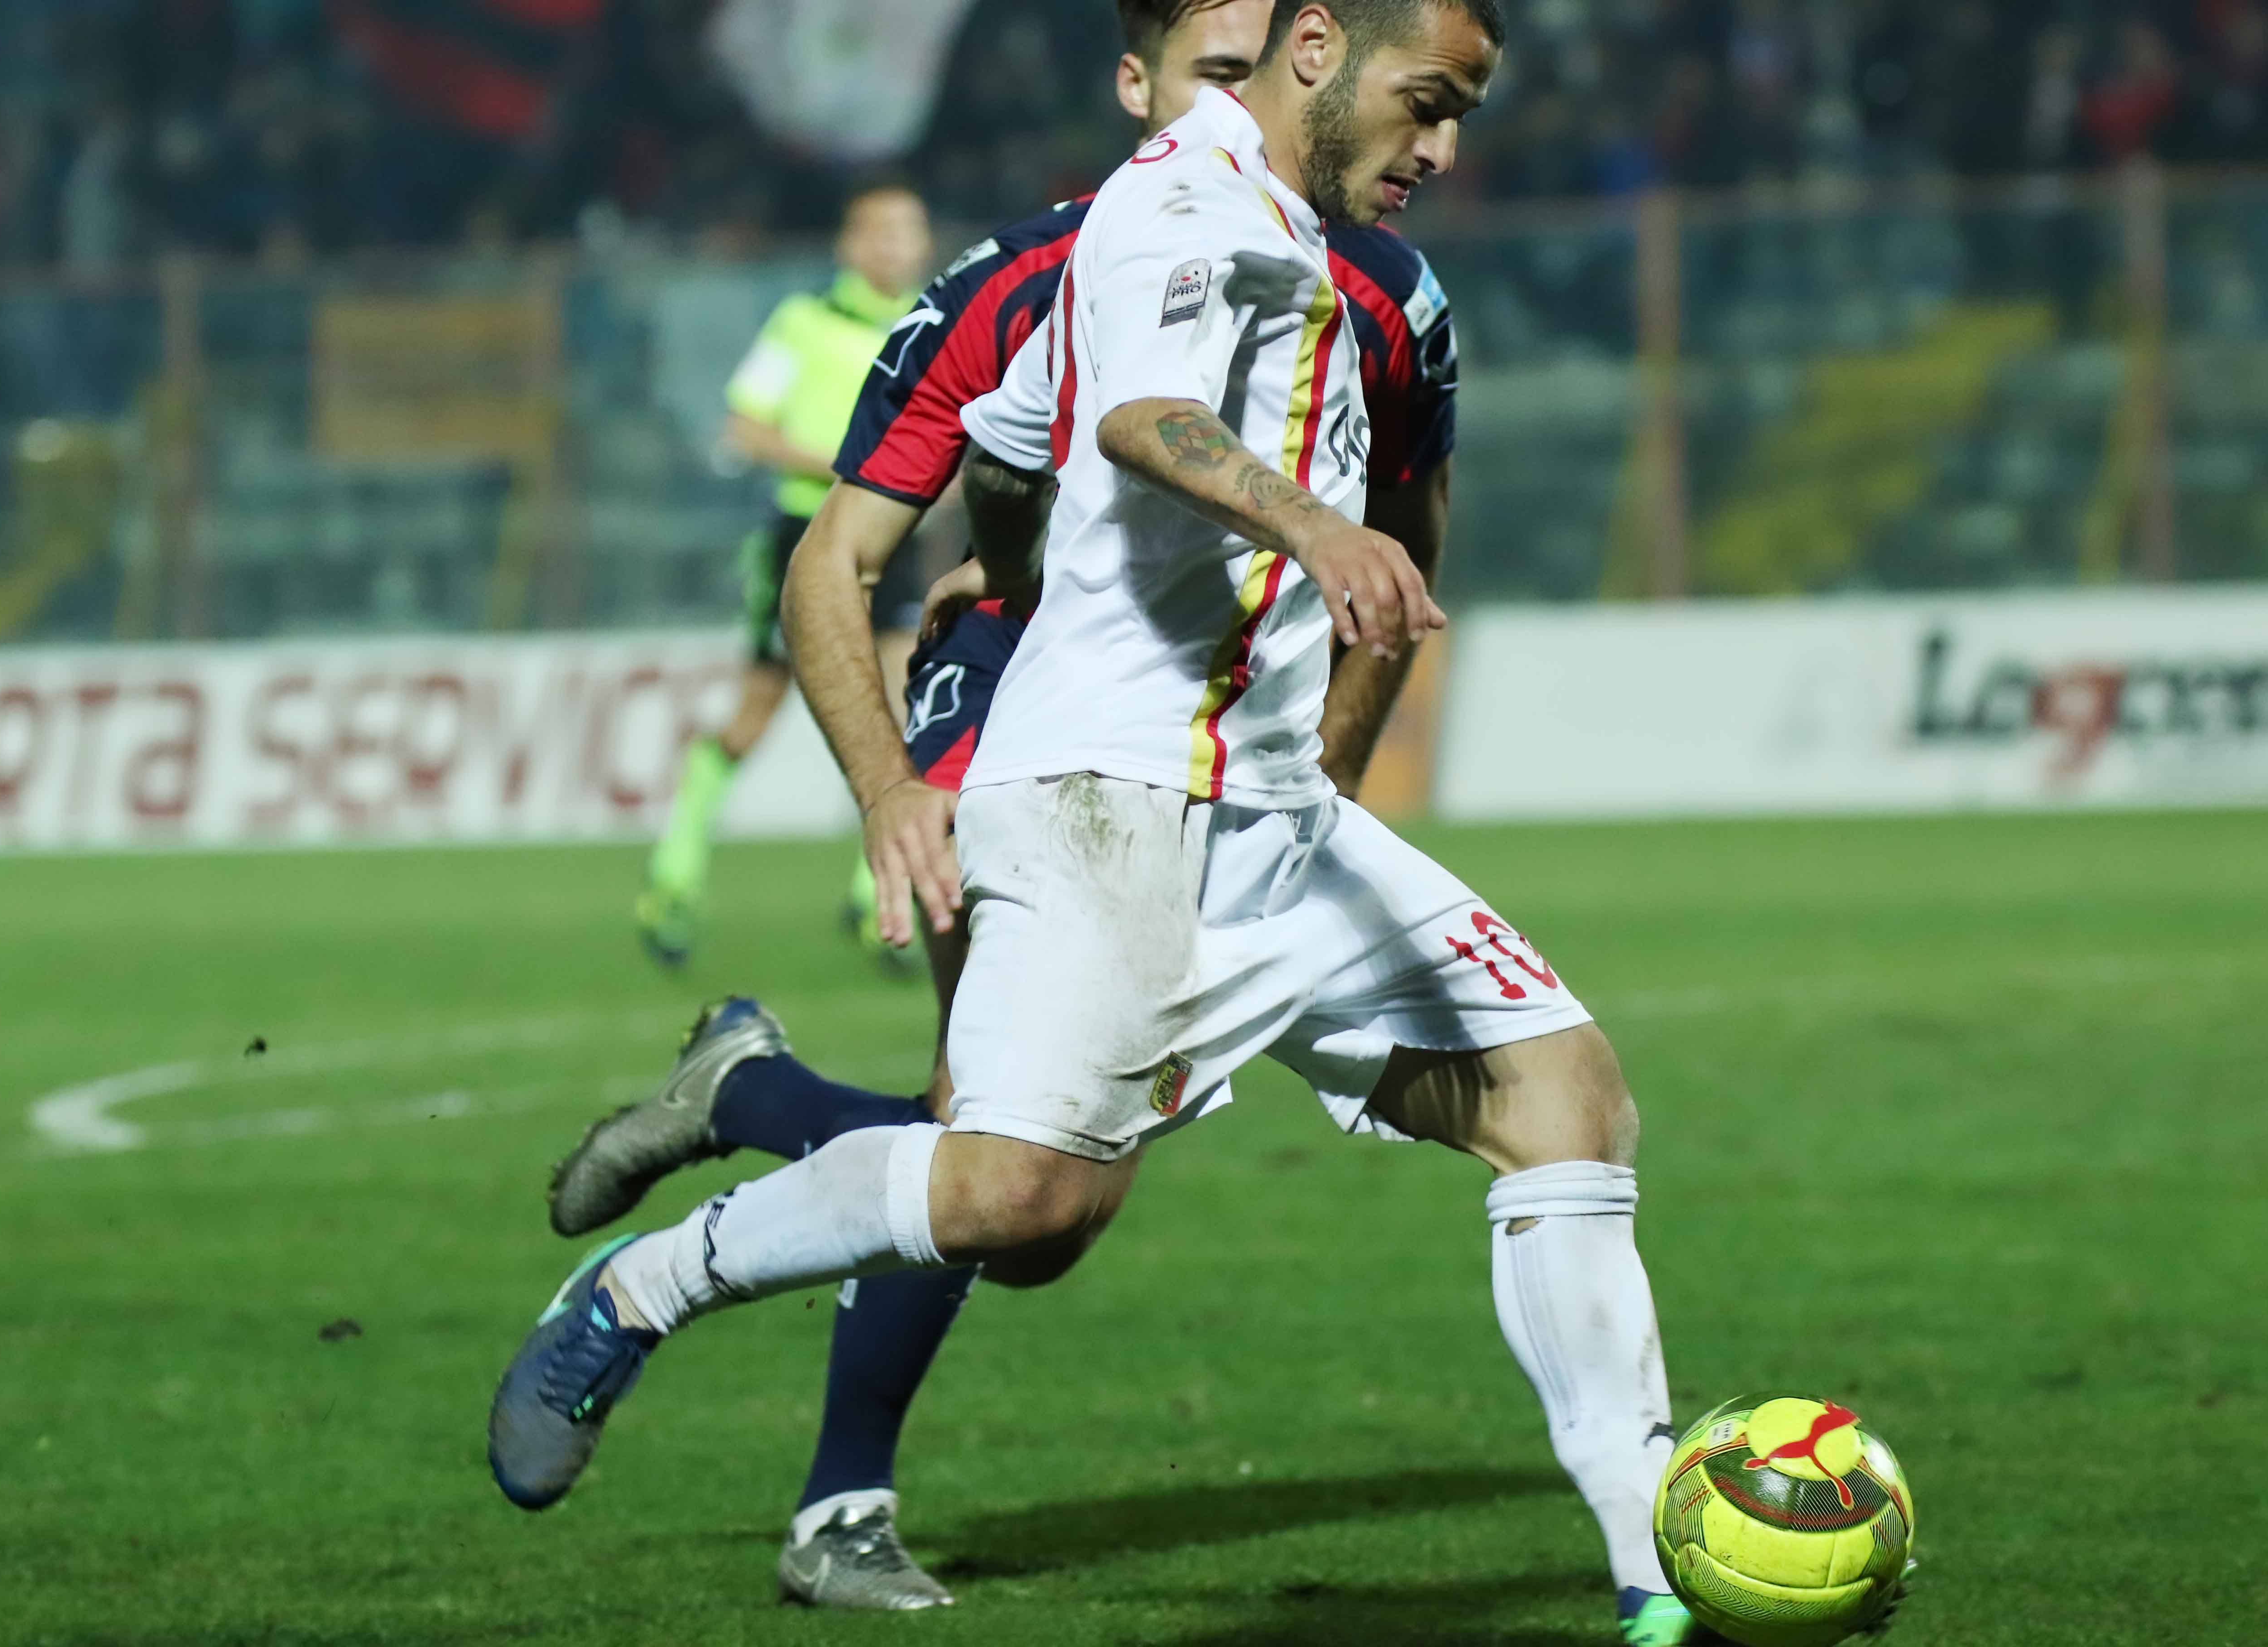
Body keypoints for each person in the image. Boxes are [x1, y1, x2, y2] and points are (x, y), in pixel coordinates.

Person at [498, 5, 1707, 1642]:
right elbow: (1142, 416)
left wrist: (1319, 718)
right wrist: (1294, 538)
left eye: (1460, 117)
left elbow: (1132, 474)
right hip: (1101, 786)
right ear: (1314, 55)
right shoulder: (1172, 208)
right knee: (1020, 1202)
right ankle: (645, 1283)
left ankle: (1655, 1567)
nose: (1441, 150)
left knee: (1566, 1096)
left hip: (1267, 805)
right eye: (1427, 107)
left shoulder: (1350, 260)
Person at [637, 181, 934, 967]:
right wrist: (850, 466)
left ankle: (877, 901)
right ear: (850, 245)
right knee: (754, 717)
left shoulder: (930, 326)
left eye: (907, 233)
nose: (893, 248)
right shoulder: (803, 325)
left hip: (896, 537)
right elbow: (744, 427)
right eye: (879, 233)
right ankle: (674, 876)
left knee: (906, 713)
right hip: (809, 535)